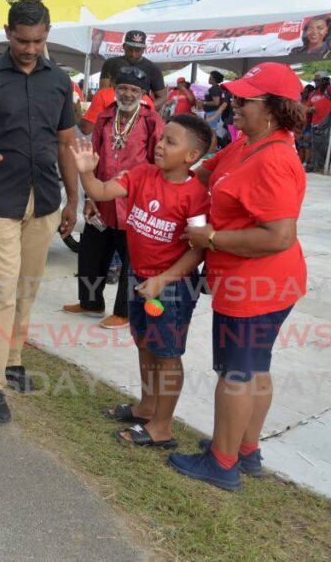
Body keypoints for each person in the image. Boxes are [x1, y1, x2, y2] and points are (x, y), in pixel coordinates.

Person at [172, 62, 308, 491]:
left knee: (236, 373)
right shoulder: (248, 143)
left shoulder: (274, 159)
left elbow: (279, 235)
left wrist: (210, 237)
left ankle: (222, 461)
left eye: (243, 99)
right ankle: (245, 450)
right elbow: (205, 172)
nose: (232, 104)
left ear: (271, 109)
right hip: (257, 281)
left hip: (257, 284)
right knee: (255, 367)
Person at [0, 0, 79, 423]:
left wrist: (73, 200)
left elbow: (65, 143)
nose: (30, 48)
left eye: (39, 40)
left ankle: (13, 358)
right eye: (22, 40)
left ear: (48, 33)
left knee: (26, 288)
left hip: (43, 200)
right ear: (8, 32)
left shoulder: (60, 81)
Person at [77, 114, 210, 447]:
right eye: (161, 138)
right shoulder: (142, 174)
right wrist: (85, 171)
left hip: (172, 287)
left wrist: (163, 280)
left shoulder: (195, 194)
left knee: (167, 354)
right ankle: (146, 407)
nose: (160, 145)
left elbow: (198, 250)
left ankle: (161, 428)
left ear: (191, 156)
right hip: (140, 278)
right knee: (144, 344)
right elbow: (101, 190)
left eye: (170, 142)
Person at [63, 67, 165, 329]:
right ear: (114, 90)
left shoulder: (151, 121)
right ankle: (90, 302)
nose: (127, 94)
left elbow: (159, 161)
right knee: (90, 251)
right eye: (123, 89)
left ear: (143, 94)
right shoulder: (105, 117)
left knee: (131, 260)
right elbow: (92, 158)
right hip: (101, 196)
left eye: (134, 90)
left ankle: (124, 312)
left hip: (135, 202)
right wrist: (89, 197)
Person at [100, 30, 166, 107]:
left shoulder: (153, 69)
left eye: (138, 50)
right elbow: (103, 92)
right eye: (130, 49)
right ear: (124, 46)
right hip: (113, 110)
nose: (133, 54)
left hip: (140, 113)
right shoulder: (110, 63)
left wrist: (145, 110)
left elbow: (162, 97)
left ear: (144, 49)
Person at [306, 70, 331, 172]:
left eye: (318, 80)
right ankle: (316, 165)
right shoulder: (312, 94)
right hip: (314, 124)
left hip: (326, 124)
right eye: (314, 80)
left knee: (324, 146)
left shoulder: (328, 91)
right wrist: (309, 109)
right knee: (315, 146)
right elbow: (307, 106)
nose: (315, 82)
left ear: (324, 81)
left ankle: (324, 166)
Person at [200, 71, 227, 140]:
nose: (208, 79)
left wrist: (204, 103)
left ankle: (212, 148)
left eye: (210, 77)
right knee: (211, 131)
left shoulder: (214, 89)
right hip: (211, 112)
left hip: (213, 112)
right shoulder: (215, 88)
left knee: (212, 132)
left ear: (213, 79)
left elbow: (216, 102)